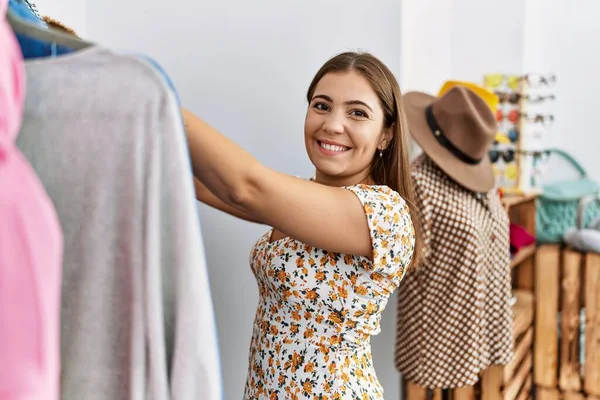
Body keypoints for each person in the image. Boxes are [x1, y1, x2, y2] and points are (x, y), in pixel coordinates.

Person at [183, 51, 423, 399]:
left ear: (386, 134)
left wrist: (153, 95)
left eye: (357, 113)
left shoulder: (383, 213)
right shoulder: (306, 197)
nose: (332, 124)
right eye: (322, 106)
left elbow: (243, 187)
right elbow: (205, 184)